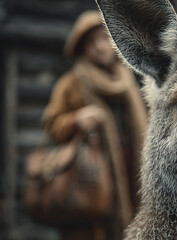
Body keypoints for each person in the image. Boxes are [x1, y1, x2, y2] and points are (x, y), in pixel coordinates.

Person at [41, 10, 147, 240]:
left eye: (105, 38)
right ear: (82, 49)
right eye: (92, 42)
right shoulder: (72, 82)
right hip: (92, 179)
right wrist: (76, 119)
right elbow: (50, 124)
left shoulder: (127, 81)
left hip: (131, 169)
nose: (100, 46)